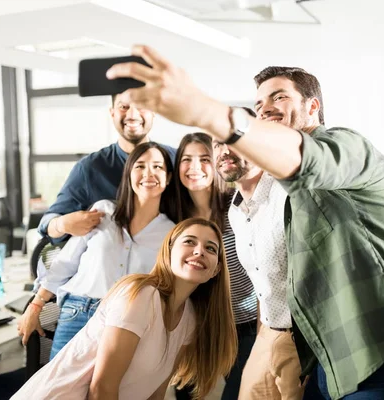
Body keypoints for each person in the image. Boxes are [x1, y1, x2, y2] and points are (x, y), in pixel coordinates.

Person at [105, 45, 384, 400]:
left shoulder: (349, 149)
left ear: (312, 106)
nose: (264, 108)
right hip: (332, 360)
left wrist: (205, 112)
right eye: (258, 104)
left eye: (279, 96)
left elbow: (306, 160)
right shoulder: (243, 209)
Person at [12, 217, 238, 400]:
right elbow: (102, 389)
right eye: (189, 242)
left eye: (210, 248)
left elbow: (155, 394)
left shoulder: (190, 318)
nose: (199, 251)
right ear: (168, 252)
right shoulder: (140, 294)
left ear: (216, 270)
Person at [17, 142, 178, 359]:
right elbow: (65, 263)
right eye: (140, 166)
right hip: (78, 312)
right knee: (58, 391)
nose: (149, 173)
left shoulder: (172, 233)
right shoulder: (103, 211)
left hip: (127, 322)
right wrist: (35, 306)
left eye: (157, 167)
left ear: (168, 178)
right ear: (128, 175)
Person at [214, 137, 303, 399]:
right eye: (218, 144)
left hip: (300, 337)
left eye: (234, 140)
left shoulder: (286, 194)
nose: (225, 150)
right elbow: (261, 284)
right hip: (267, 332)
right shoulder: (235, 211)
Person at [172, 132, 258, 400]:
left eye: (204, 159)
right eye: (187, 159)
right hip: (200, 322)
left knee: (238, 394)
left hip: (247, 322)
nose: (195, 167)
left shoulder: (236, 204)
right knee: (185, 392)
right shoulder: (173, 216)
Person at [37, 92, 177, 244]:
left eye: (141, 107)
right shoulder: (90, 169)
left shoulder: (178, 161)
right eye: (123, 107)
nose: (132, 114)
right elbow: (48, 222)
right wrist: (62, 224)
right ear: (112, 113)